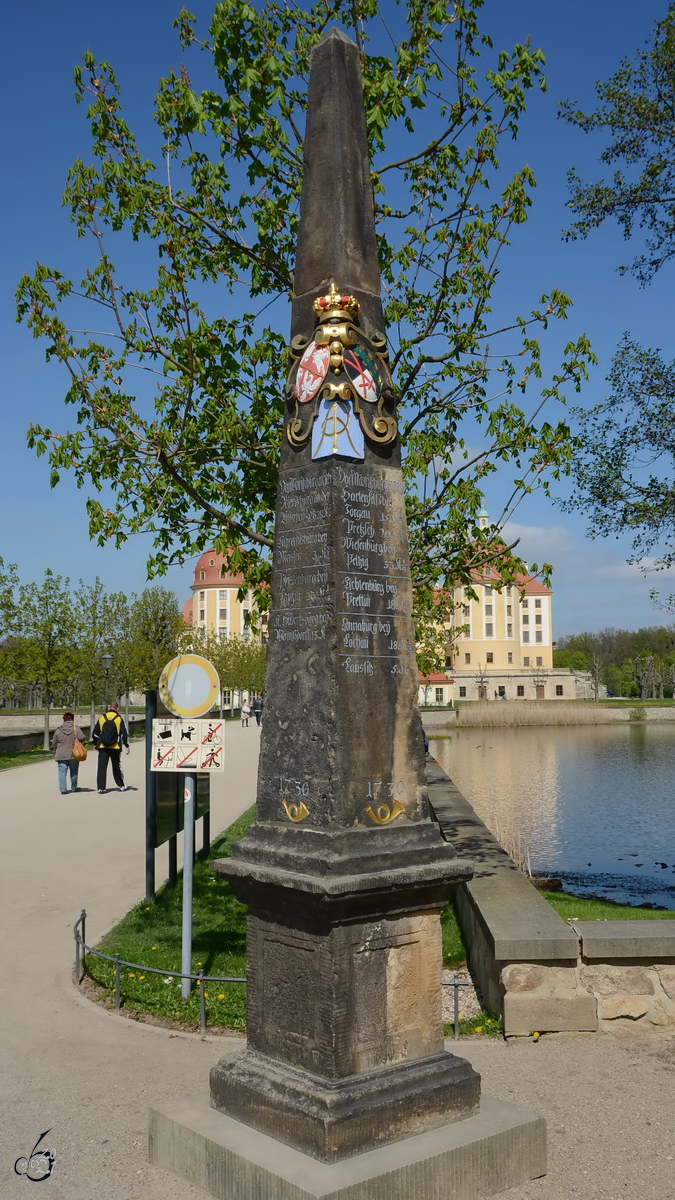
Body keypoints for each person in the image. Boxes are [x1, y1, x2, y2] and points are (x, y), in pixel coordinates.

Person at [92, 701, 130, 793]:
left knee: (101, 767)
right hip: (115, 746)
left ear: (109, 708)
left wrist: (95, 744)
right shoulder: (119, 719)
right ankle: (120, 785)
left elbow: (95, 733)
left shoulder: (101, 718)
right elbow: (124, 733)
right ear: (117, 709)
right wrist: (126, 745)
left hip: (103, 746)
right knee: (116, 766)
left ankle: (101, 787)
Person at [52, 712, 87, 794]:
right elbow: (82, 737)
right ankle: (74, 787)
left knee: (62, 772)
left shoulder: (58, 730)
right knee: (74, 771)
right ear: (71, 719)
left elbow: (54, 742)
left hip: (61, 754)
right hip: (73, 754)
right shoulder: (76, 728)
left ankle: (63, 789)